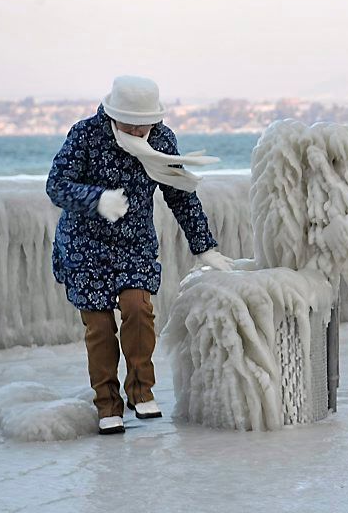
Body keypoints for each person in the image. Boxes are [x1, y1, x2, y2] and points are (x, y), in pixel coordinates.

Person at [46, 75, 233, 435]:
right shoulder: (86, 135)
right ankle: (107, 403)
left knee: (137, 309)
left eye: (142, 123)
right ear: (112, 115)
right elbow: (56, 184)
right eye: (128, 123)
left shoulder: (162, 139)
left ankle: (141, 391)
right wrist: (96, 199)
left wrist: (204, 246)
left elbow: (180, 194)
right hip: (85, 245)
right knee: (99, 326)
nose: (136, 129)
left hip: (134, 245)